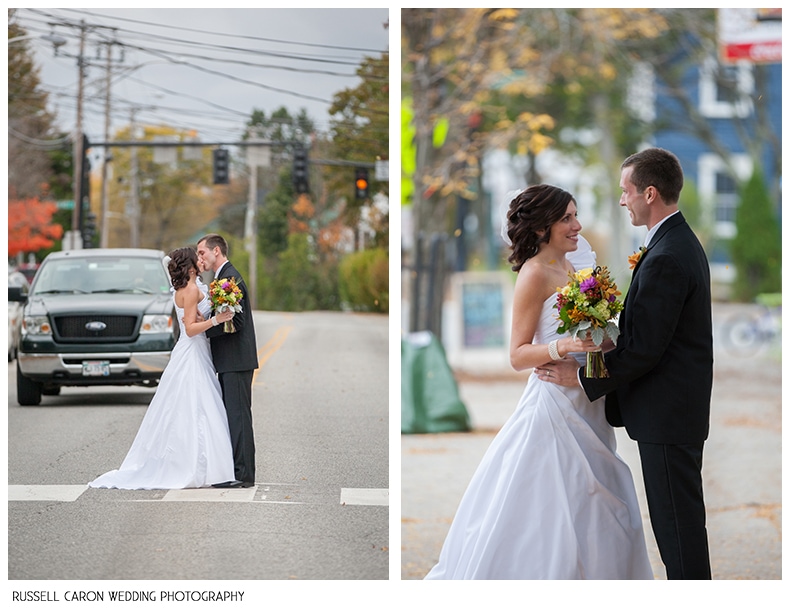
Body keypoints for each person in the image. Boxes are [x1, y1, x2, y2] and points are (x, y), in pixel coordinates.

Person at [424, 184, 653, 580]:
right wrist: (563, 347)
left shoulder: (578, 271)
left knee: (600, 500)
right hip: (553, 408)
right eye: (566, 218)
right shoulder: (533, 275)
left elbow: (599, 335)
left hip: (589, 404)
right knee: (553, 505)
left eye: (575, 215)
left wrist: (608, 339)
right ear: (542, 226)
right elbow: (517, 355)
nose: (577, 225)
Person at [536, 147, 713, 579]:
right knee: (677, 528)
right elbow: (645, 336)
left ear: (649, 194)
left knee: (679, 532)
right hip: (672, 414)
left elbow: (645, 350)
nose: (622, 200)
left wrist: (580, 377)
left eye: (626, 190)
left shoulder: (668, 255)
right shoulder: (673, 243)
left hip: (668, 416)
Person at [89, 248, 236, 489]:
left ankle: (205, 463)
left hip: (195, 351)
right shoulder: (189, 290)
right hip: (191, 352)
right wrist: (216, 320)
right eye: (196, 259)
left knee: (194, 405)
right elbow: (189, 329)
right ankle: (196, 464)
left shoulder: (185, 289)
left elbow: (192, 319)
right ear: (189, 267)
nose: (200, 261)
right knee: (197, 405)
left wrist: (204, 318)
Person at [197, 234, 259, 489]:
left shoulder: (228, 279)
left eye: (202, 252)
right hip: (231, 360)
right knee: (233, 416)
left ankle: (243, 475)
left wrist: (203, 329)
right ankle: (237, 470)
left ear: (217, 251)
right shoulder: (222, 277)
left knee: (238, 417)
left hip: (235, 359)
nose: (199, 257)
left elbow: (236, 322)